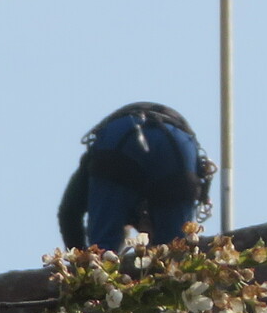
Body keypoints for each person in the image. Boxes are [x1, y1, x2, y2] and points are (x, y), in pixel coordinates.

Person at [55, 103, 214, 249]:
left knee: (102, 251)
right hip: (176, 143)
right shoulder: (146, 205)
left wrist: (80, 261)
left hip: (121, 135)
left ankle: (97, 263)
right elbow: (67, 213)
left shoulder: (121, 202)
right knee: (174, 250)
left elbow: (68, 213)